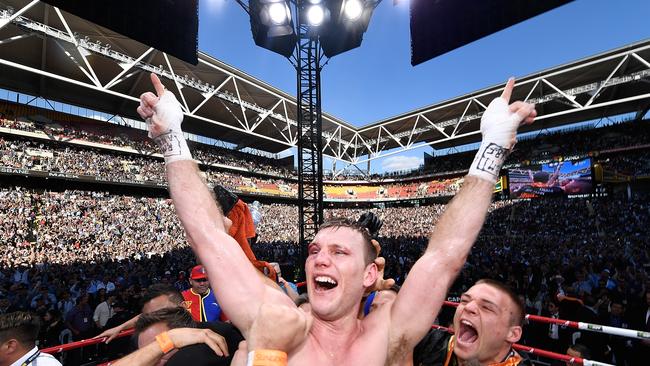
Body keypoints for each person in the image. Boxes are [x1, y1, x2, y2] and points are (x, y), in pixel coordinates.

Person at [137, 73, 535, 364]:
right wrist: (172, 139)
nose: (319, 259)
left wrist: (492, 151)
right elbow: (210, 237)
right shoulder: (275, 319)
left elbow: (445, 255)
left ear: (368, 275)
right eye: (314, 250)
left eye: (339, 252)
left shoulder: (389, 334)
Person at [412, 279, 530, 366]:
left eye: (486, 307)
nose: (468, 307)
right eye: (464, 300)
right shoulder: (433, 344)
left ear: (512, 334)